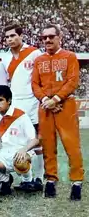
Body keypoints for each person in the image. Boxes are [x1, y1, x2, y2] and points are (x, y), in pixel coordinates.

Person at [32, 24, 84, 201]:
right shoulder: (39, 60)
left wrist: (56, 99)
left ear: (59, 37)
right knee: (47, 145)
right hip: (45, 106)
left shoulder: (70, 56)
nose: (47, 40)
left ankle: (76, 181)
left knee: (72, 145)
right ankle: (51, 180)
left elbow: (73, 81)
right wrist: (46, 100)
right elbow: (35, 84)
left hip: (65, 105)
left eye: (51, 36)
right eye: (44, 37)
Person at [1, 24, 44, 191]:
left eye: (13, 36)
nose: (10, 39)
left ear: (21, 35)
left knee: (37, 142)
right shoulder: (5, 58)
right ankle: (27, 178)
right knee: (19, 141)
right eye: (7, 37)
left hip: (33, 103)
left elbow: (41, 78)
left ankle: (39, 179)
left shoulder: (34, 53)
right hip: (16, 105)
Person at [0, 85, 39, 196]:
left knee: (20, 161)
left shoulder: (21, 116)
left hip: (22, 152)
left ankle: (27, 181)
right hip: (3, 154)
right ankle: (5, 179)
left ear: (9, 101)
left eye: (0, 100)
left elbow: (35, 140)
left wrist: (24, 150)